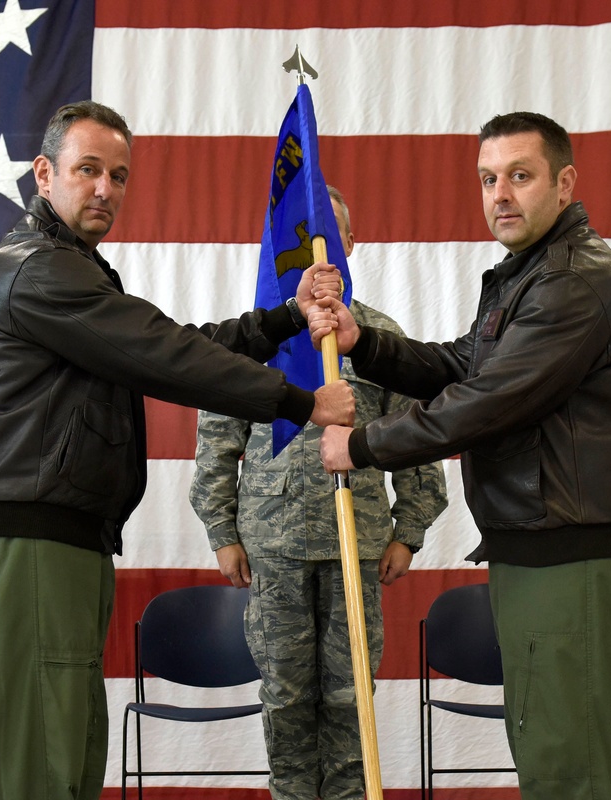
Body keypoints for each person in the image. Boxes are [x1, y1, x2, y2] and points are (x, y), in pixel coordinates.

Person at [0, 100, 354, 800]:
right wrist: (301, 402)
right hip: (33, 539)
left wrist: (285, 319)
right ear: (44, 174)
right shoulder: (41, 270)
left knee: (71, 760)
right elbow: (167, 355)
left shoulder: (71, 269)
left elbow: (175, 342)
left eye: (118, 174)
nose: (105, 188)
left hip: (63, 538)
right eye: (87, 170)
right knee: (38, 770)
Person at [312, 112, 611, 800]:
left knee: (573, 768)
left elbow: (484, 403)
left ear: (564, 184)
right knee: (551, 752)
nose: (500, 193)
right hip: (542, 547)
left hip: (570, 554)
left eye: (520, 176)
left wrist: (359, 446)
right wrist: (365, 345)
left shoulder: (571, 281)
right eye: (488, 178)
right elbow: (464, 365)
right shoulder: (528, 274)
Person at [189, 186, 448, 800]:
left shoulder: (377, 335)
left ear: (351, 247)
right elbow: (218, 441)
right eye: (302, 242)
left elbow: (417, 439)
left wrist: (409, 531)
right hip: (271, 549)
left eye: (332, 239)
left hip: (356, 543)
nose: (317, 254)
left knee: (351, 692)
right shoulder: (258, 338)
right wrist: (222, 534)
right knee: (283, 694)